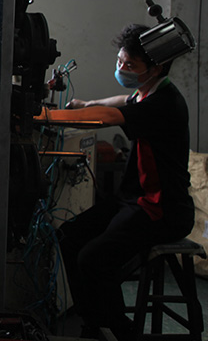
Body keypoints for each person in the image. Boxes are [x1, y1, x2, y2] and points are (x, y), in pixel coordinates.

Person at [36, 23, 194, 341]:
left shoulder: (165, 103)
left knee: (93, 258)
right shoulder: (148, 91)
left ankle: (120, 331)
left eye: (130, 65)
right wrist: (86, 104)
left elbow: (111, 117)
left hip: (162, 208)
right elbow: (124, 100)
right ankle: (94, 322)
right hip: (133, 200)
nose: (121, 68)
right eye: (120, 61)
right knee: (67, 237)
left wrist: (47, 117)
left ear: (156, 68)